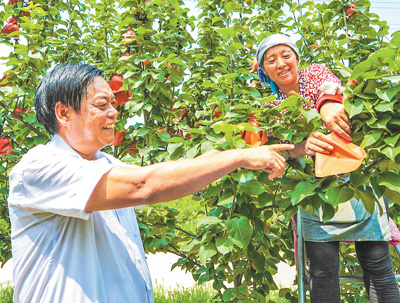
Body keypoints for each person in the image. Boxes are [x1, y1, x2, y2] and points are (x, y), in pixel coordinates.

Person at [7, 62, 294, 303]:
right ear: (63, 113)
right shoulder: (39, 167)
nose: (114, 112)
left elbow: (169, 175)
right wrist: (239, 157)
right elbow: (145, 186)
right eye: (101, 104)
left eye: (113, 103)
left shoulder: (107, 164)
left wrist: (228, 152)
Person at [255, 34, 400, 303]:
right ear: (264, 71)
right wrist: (303, 146)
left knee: (377, 262)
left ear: (297, 59)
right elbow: (280, 150)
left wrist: (328, 104)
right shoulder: (272, 109)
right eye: (271, 60)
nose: (281, 63)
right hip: (315, 192)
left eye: (286, 55)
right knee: (322, 270)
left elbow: (329, 87)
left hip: (357, 181)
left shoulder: (314, 74)